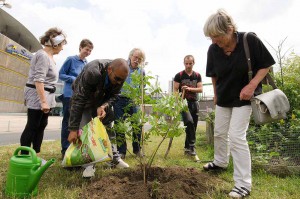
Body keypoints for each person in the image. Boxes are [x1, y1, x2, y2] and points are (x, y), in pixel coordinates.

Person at [202, 9, 275, 198]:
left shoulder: (249, 40)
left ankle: (243, 184)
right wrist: (216, 95)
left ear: (229, 29)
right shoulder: (213, 49)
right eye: (211, 38)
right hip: (224, 97)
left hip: (244, 98)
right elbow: (214, 75)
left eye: (216, 37)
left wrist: (252, 85)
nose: (213, 41)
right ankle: (220, 162)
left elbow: (266, 64)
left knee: (236, 136)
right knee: (219, 132)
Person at [67, 58, 130, 178]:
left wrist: (103, 106)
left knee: (108, 128)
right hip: (84, 101)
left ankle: (113, 159)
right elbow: (78, 100)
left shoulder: (120, 75)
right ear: (109, 70)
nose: (119, 83)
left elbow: (115, 95)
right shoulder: (92, 72)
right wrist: (73, 129)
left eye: (122, 81)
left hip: (99, 101)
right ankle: (89, 164)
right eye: (117, 79)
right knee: (86, 130)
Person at [20, 27, 67, 163]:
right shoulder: (42, 55)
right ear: (55, 43)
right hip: (37, 94)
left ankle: (36, 155)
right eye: (62, 45)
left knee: (41, 125)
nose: (62, 48)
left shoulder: (50, 57)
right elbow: (38, 80)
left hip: (47, 94)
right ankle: (24, 157)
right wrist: (43, 102)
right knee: (32, 125)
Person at [59, 39, 93, 159]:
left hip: (81, 98)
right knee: (68, 122)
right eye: (86, 49)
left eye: (90, 50)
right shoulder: (70, 60)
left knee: (78, 124)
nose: (88, 52)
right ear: (80, 48)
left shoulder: (87, 64)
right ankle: (65, 149)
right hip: (69, 96)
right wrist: (74, 79)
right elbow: (61, 74)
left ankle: (74, 148)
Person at [114, 48, 146, 159]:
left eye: (140, 59)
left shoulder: (141, 71)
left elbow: (142, 87)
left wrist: (140, 98)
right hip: (119, 99)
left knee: (137, 125)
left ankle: (137, 150)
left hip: (134, 100)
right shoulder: (123, 66)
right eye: (135, 57)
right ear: (130, 56)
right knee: (120, 125)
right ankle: (121, 151)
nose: (137, 60)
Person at [173, 55, 203, 161]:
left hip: (195, 103)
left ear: (193, 63)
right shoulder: (179, 75)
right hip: (184, 104)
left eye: (190, 63)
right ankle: (192, 148)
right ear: (184, 63)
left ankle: (187, 149)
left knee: (192, 127)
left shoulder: (197, 75)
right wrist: (178, 102)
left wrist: (189, 88)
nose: (188, 65)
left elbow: (200, 89)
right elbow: (175, 91)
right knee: (189, 122)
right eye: (186, 63)